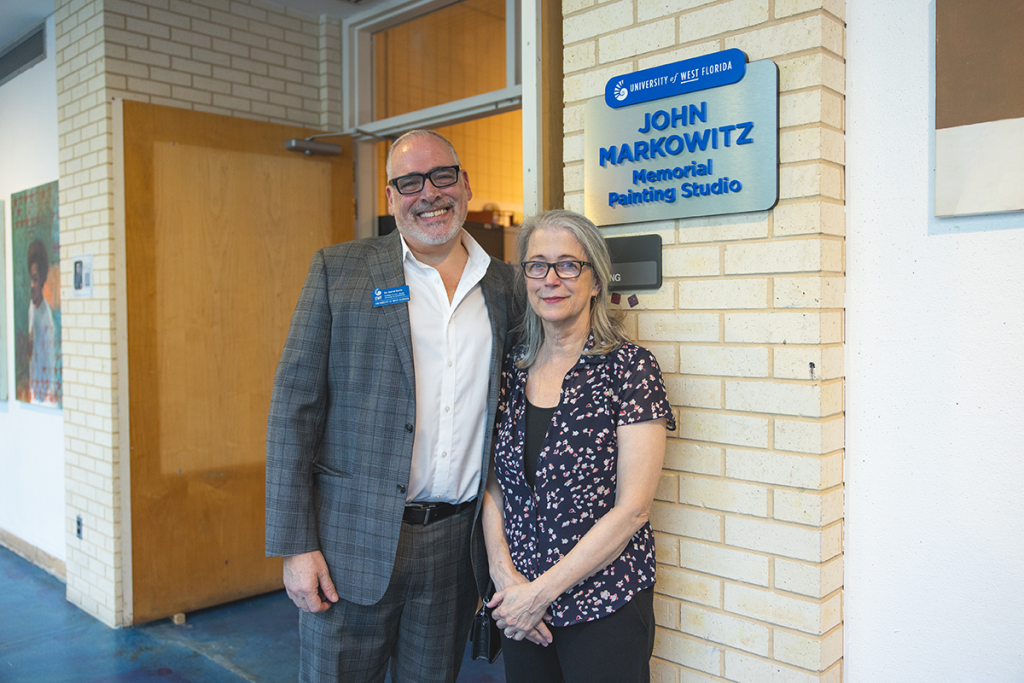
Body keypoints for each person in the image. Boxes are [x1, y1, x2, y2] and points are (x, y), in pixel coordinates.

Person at [265, 129, 519, 683]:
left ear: (465, 184)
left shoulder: (506, 286)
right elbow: (294, 409)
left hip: (455, 547)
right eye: (409, 182)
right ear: (389, 198)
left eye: (441, 176)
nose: (428, 194)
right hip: (348, 544)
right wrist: (295, 545)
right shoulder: (340, 272)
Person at [482, 209, 675, 683]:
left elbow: (633, 510)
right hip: (519, 605)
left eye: (569, 265)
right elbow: (492, 481)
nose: (551, 279)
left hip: (603, 604)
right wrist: (504, 574)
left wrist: (540, 593)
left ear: (595, 281)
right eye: (537, 265)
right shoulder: (512, 365)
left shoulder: (629, 369)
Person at [27, 239, 58, 404]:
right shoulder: (31, 309)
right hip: (33, 393)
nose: (32, 285)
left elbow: (49, 364)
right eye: (31, 279)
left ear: (43, 280)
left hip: (44, 397)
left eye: (36, 279)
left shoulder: (47, 318)